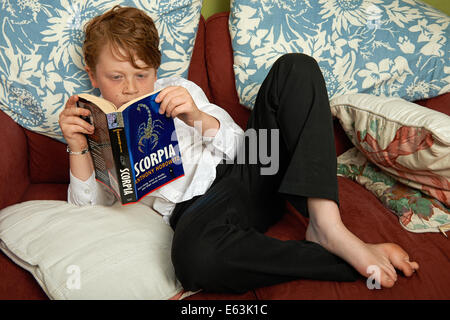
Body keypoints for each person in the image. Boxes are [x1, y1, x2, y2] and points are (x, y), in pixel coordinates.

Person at [59, 5, 419, 294]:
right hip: (199, 212)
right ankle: (337, 260)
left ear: (156, 68)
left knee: (296, 67)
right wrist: (77, 149)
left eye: (142, 74)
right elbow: (87, 213)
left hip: (249, 173)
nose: (131, 89)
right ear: (93, 75)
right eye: (116, 77)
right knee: (193, 262)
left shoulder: (179, 90)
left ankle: (328, 226)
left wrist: (196, 117)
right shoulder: (94, 123)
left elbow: (251, 150)